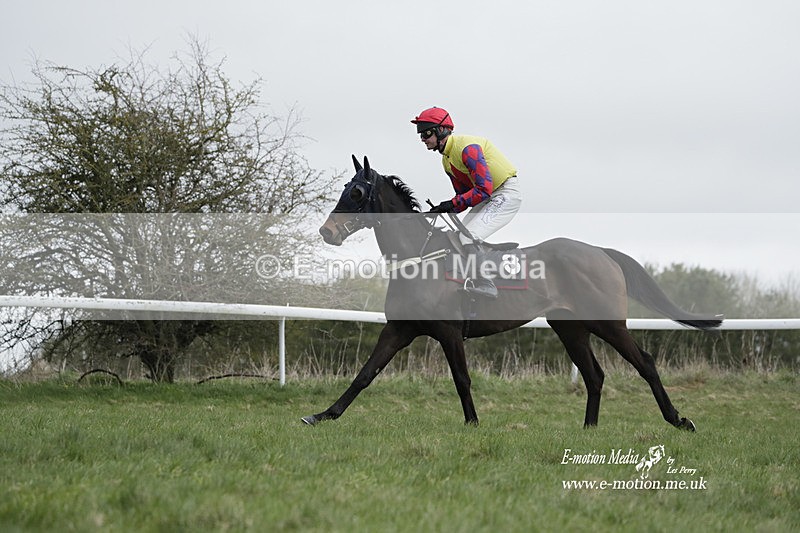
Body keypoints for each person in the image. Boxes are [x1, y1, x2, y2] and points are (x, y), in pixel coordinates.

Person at [411, 106, 522, 298]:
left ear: (441, 130)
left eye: (426, 133)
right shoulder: (446, 161)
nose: (422, 139)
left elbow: (483, 189)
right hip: (490, 196)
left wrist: (452, 204)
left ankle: (487, 283)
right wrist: (443, 208)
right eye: (420, 135)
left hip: (505, 193)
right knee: (457, 237)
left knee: (467, 236)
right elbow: (464, 196)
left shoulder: (467, 149)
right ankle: (467, 279)